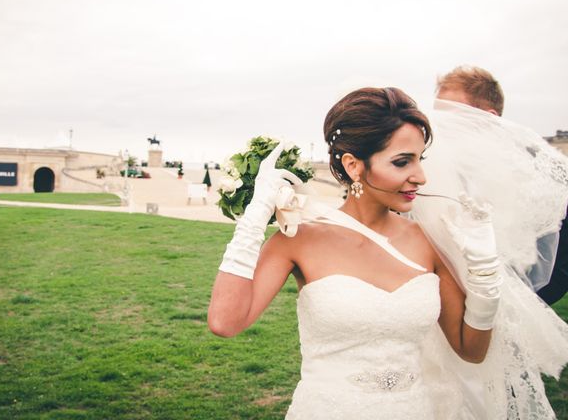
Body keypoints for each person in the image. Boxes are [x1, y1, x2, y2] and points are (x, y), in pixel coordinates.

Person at [208, 88, 505, 419]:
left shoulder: (430, 241)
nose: (420, 176)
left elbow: (471, 350)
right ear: (353, 165)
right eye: (402, 161)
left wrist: (484, 276)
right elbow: (225, 322)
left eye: (420, 159)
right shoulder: (298, 239)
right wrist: (253, 219)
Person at [434, 65, 568, 305]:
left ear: (489, 118)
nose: (440, 125)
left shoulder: (537, 175)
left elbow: (560, 265)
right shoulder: (430, 170)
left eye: (451, 114)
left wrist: (516, 311)